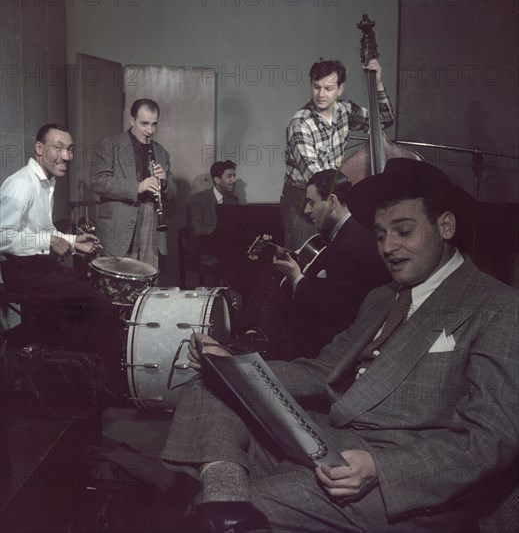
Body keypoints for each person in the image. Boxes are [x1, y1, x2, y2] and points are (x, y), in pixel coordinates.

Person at [160, 158, 519, 533]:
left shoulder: (499, 307)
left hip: (396, 476)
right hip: (329, 439)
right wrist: (233, 367)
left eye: (404, 231)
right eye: (381, 235)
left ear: (445, 226)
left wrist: (381, 469)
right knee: (208, 388)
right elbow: (322, 370)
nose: (389, 247)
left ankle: (223, 506)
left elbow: (489, 441)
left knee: (241, 504)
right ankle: (226, 503)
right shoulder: (382, 297)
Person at [0, 124, 121, 390]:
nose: (66, 156)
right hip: (21, 272)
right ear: (39, 148)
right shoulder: (21, 184)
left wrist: (73, 242)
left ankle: (71, 376)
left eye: (69, 149)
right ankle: (95, 384)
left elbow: (44, 232)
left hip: (38, 268)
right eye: (58, 148)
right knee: (100, 306)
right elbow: (3, 238)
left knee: (90, 293)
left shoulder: (45, 182)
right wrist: (49, 242)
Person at [238, 169, 389, 360]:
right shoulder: (345, 232)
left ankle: (259, 346)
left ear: (332, 202)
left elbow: (331, 307)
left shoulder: (352, 244)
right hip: (328, 318)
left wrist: (296, 278)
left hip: (332, 336)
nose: (307, 210)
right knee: (271, 274)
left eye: (311, 202)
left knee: (277, 293)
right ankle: (254, 337)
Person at [282, 58, 394, 250]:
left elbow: (384, 120)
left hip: (331, 194)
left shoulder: (345, 110)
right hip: (303, 199)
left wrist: (377, 83)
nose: (321, 94)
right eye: (316, 87)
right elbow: (316, 179)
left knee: (336, 254)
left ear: (340, 89)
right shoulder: (300, 123)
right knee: (306, 258)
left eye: (328, 88)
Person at [91, 98, 176, 269]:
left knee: (147, 277)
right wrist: (137, 187)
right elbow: (98, 181)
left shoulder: (161, 151)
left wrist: (164, 182)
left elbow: (173, 194)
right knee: (117, 281)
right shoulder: (109, 144)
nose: (150, 130)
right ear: (132, 120)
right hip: (119, 221)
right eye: (144, 124)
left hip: (151, 221)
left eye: (154, 124)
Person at [185, 160, 240, 287]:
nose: (233, 180)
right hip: (203, 250)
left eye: (234, 175)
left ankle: (235, 298)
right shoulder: (197, 200)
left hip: (225, 249)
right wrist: (221, 231)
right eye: (229, 176)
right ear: (217, 179)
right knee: (234, 261)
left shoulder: (233, 200)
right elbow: (197, 229)